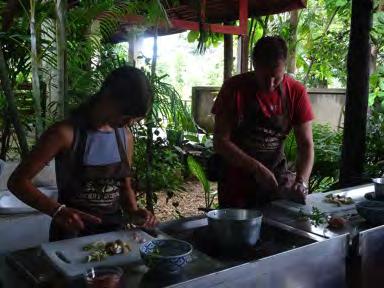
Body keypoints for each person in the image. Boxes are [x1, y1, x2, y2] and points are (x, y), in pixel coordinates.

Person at [8, 66, 157, 241]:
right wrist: (57, 211)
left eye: (134, 119)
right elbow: (18, 182)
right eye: (127, 115)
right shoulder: (64, 134)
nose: (129, 123)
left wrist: (133, 211)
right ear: (108, 98)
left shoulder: (125, 136)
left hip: (114, 235)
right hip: (71, 235)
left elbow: (124, 185)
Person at [212, 36, 314, 209]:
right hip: (236, 183)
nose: (270, 84)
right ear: (254, 65)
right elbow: (220, 142)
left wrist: (301, 181)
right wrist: (256, 168)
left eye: (277, 78)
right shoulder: (233, 88)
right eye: (264, 77)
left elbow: (306, 145)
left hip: (276, 179)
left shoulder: (296, 92)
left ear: (284, 68)